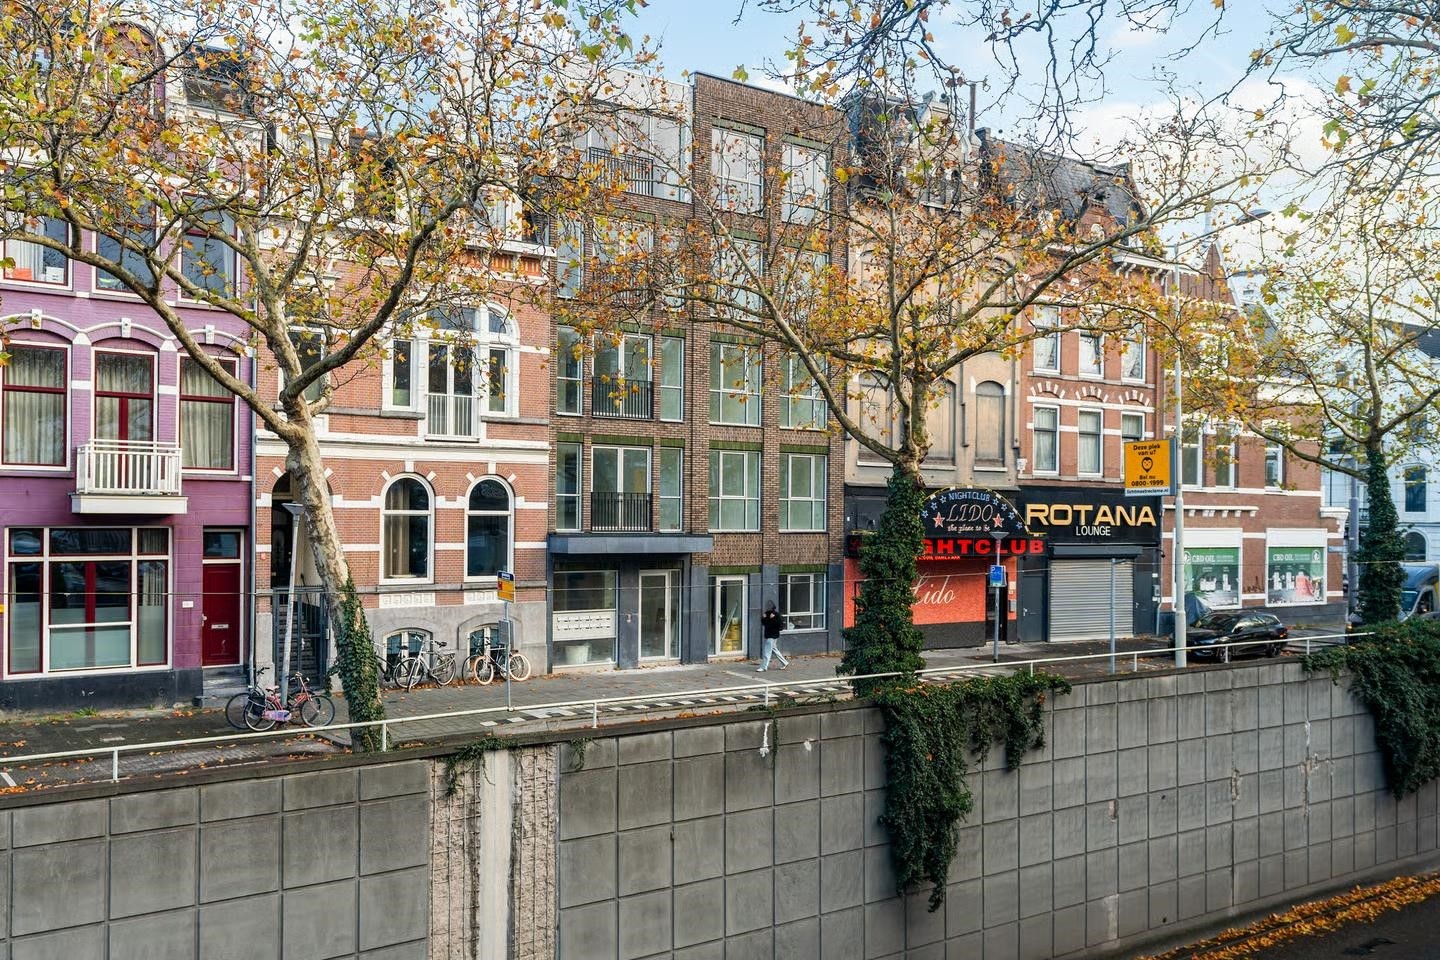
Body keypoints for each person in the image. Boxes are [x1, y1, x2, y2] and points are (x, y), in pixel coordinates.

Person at [758, 601, 789, 671]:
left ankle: (764, 667)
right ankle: (785, 662)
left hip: (772, 635)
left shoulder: (776, 615)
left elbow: (779, 626)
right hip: (770, 635)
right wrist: (764, 618)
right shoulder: (767, 614)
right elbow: (764, 623)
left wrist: (772, 619)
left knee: (767, 651)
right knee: (774, 650)